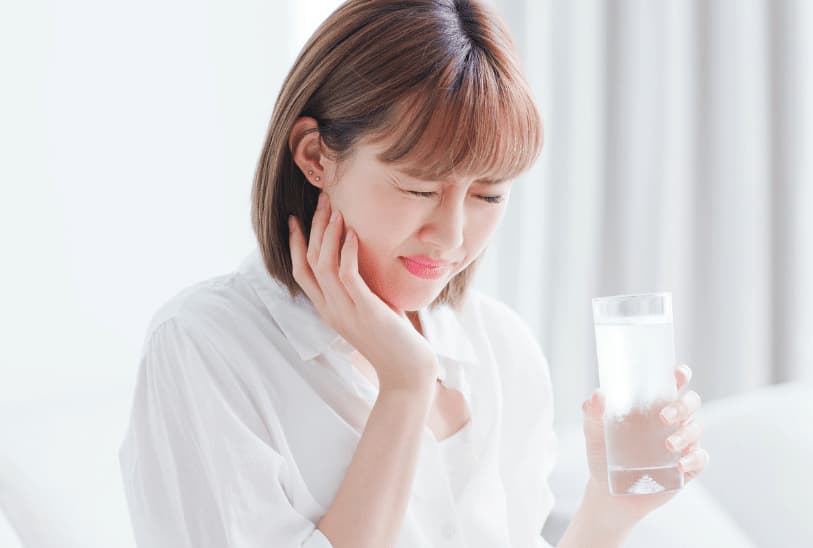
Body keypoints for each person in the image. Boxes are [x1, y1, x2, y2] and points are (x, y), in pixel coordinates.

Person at [117, 0, 709, 546]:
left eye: (489, 197)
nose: (452, 237)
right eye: (418, 187)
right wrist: (405, 386)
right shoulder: (208, 347)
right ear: (315, 155)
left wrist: (606, 511)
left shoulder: (498, 346)